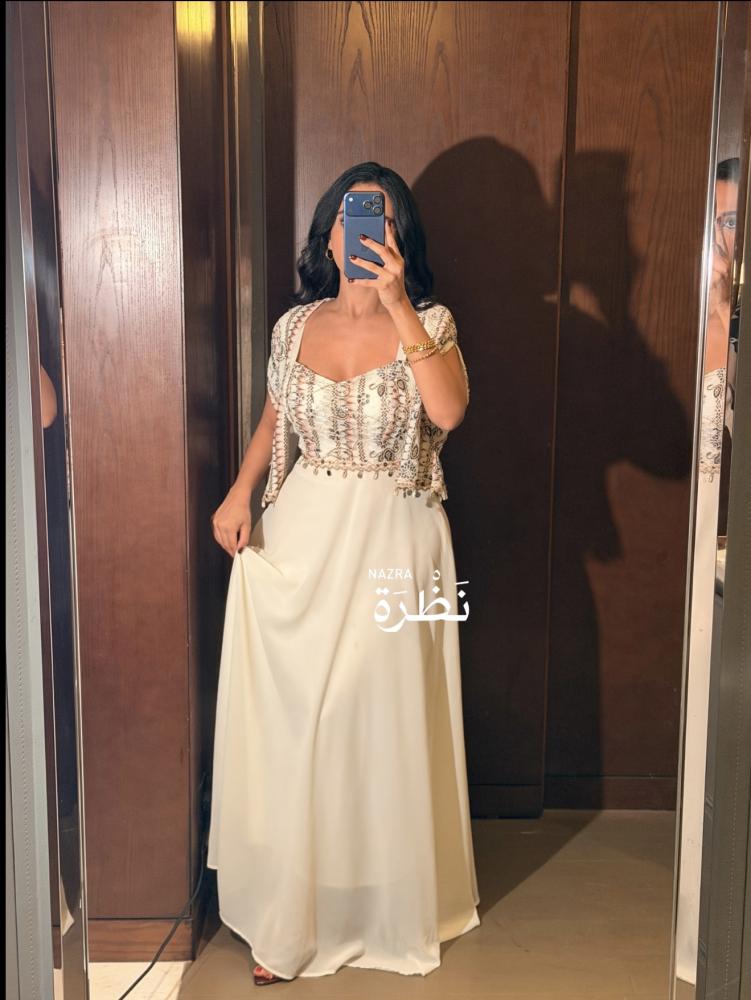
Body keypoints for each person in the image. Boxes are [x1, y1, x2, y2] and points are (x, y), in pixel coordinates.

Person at [207, 162, 480, 985]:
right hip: (303, 536)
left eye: (381, 219)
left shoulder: (429, 319)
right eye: (350, 217)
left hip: (396, 535)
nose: (362, 231)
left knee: (368, 720)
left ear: (399, 238)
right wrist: (240, 489)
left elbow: (448, 411)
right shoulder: (294, 326)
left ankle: (377, 903)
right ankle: (294, 908)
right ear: (328, 234)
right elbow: (276, 417)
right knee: (297, 725)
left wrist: (397, 306)